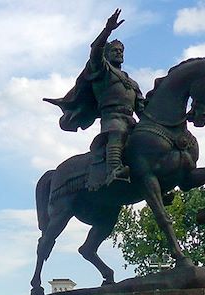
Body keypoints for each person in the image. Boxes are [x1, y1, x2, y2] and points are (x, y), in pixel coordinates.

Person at [44, 9, 145, 189]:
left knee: (150, 141)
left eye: (121, 50)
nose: (118, 53)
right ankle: (114, 169)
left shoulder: (132, 82)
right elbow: (95, 49)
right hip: (112, 120)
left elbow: (142, 110)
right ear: (106, 54)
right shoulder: (101, 70)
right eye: (114, 50)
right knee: (118, 132)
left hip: (131, 121)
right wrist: (107, 30)